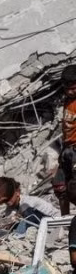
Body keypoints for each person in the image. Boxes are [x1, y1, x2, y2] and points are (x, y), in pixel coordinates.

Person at [53, 65, 76, 215]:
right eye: (67, 88)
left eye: (74, 88)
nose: (70, 91)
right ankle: (66, 220)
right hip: (66, 150)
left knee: (74, 186)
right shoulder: (68, 102)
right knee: (59, 186)